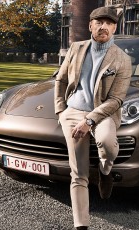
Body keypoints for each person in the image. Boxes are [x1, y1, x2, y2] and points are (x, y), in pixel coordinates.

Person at [54, 6, 132, 230]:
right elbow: (60, 80)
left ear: (115, 27)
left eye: (109, 23)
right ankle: (81, 225)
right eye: (99, 22)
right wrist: (61, 111)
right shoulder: (76, 48)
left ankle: (106, 171)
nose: (103, 26)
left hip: (102, 112)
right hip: (73, 111)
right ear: (90, 26)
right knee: (78, 173)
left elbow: (116, 100)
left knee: (108, 145)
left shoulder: (123, 59)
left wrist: (89, 121)